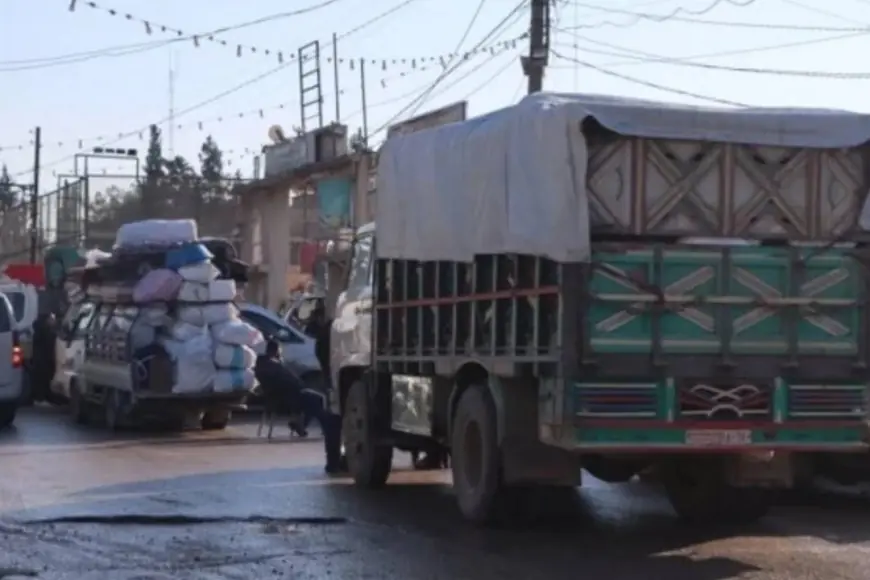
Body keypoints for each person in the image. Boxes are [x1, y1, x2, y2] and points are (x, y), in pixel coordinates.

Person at [254, 339, 346, 474]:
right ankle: (320, 425)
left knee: (314, 398)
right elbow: (292, 381)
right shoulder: (273, 366)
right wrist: (300, 386)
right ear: (274, 351)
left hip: (279, 397)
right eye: (279, 351)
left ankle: (301, 423)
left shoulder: (262, 365)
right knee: (316, 400)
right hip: (286, 398)